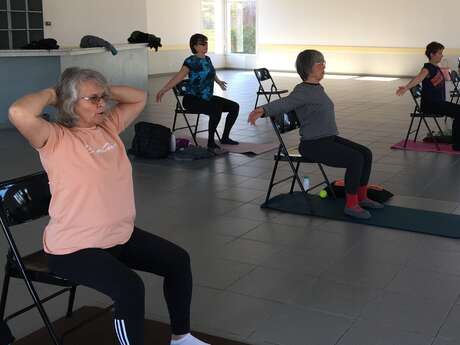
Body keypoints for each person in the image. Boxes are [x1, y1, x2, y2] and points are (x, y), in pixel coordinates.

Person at [8, 67, 209, 345]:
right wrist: (55, 94)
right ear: (69, 104)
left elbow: (139, 97)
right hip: (74, 248)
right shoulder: (54, 138)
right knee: (130, 288)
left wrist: (99, 91)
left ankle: (181, 338)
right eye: (92, 99)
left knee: (177, 261)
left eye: (102, 97)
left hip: (118, 236)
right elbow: (18, 112)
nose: (102, 103)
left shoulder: (108, 126)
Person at [248, 50, 383, 219]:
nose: (324, 66)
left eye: (324, 62)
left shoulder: (316, 88)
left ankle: (362, 197)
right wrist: (263, 110)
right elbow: (285, 103)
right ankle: (351, 204)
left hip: (327, 138)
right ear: (308, 68)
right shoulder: (303, 90)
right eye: (320, 63)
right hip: (313, 144)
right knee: (355, 159)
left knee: (366, 153)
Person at [156, 33, 239, 154]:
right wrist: (163, 89)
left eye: (206, 42)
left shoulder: (207, 59)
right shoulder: (190, 61)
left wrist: (219, 81)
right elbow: (178, 77)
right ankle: (211, 142)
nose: (206, 45)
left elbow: (211, 72)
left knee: (234, 107)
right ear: (195, 46)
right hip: (192, 100)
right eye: (202, 43)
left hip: (206, 97)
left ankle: (225, 137)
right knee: (216, 108)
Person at [396, 41, 460, 150]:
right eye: (439, 53)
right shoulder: (427, 68)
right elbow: (419, 78)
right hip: (431, 105)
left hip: (438, 103)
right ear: (432, 54)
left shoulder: (435, 67)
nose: (442, 55)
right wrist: (406, 87)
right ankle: (457, 145)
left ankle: (456, 140)